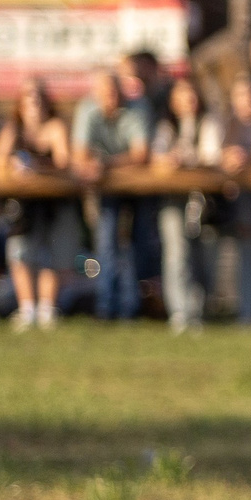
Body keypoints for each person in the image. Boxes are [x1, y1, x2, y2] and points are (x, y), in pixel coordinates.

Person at [0, 78, 80, 330]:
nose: (34, 101)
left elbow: (64, 162)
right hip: (23, 205)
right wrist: (12, 165)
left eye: (39, 95)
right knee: (21, 253)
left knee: (51, 255)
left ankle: (46, 308)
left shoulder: (56, 127)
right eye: (29, 96)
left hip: (54, 202)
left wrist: (37, 166)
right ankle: (26, 307)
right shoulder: (13, 129)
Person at [71, 67, 151, 320]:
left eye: (115, 91)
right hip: (105, 188)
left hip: (138, 187)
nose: (111, 97)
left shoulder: (137, 109)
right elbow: (80, 154)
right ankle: (107, 305)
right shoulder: (87, 110)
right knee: (106, 242)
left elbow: (141, 154)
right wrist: (99, 165)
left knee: (136, 243)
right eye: (105, 93)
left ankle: (131, 305)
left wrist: (105, 163)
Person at [149, 76, 219, 333]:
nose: (187, 100)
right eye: (181, 95)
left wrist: (186, 159)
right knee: (176, 252)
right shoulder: (166, 127)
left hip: (201, 200)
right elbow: (158, 158)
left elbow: (212, 156)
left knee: (203, 253)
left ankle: (198, 310)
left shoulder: (207, 123)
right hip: (173, 198)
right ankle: (179, 311)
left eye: (191, 93)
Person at [211, 74, 251, 324]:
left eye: (250, 96)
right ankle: (247, 311)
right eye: (241, 97)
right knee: (246, 254)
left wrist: (247, 159)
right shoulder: (229, 125)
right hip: (242, 202)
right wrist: (229, 158)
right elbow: (219, 156)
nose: (246, 102)